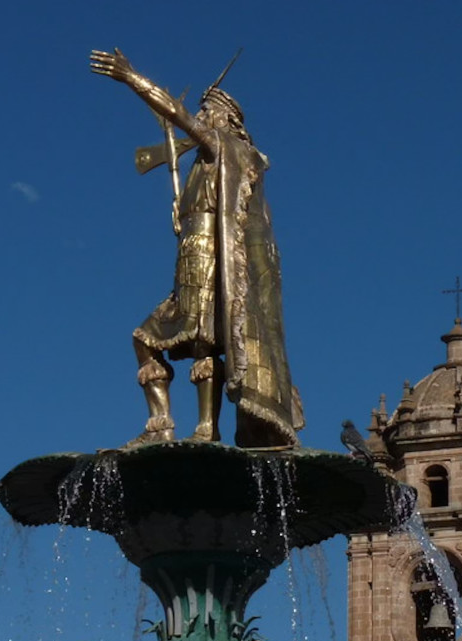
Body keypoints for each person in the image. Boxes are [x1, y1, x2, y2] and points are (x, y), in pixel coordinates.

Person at [90, 49, 304, 448]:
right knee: (149, 338)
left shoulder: (224, 147)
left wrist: (132, 77)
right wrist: (184, 216)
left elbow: (175, 112)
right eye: (202, 112)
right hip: (190, 254)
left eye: (207, 112)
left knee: (204, 339)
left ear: (226, 120)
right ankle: (162, 424)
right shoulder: (209, 164)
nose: (201, 118)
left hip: (208, 258)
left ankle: (206, 428)